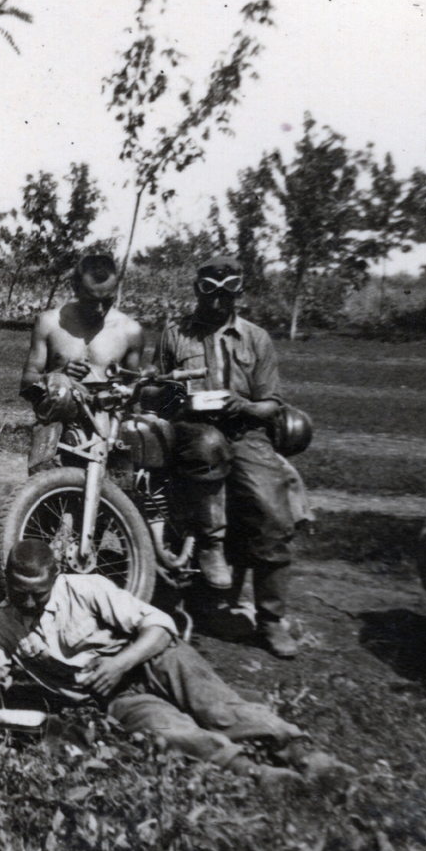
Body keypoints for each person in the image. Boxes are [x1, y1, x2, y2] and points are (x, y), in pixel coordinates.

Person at [0, 541, 355, 792]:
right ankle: (258, 774)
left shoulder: (86, 589)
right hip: (114, 696)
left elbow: (159, 625)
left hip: (153, 658)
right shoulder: (3, 623)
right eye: (19, 593)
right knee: (172, 733)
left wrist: (119, 663)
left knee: (218, 709)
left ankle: (302, 753)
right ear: (7, 583)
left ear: (55, 578)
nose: (28, 604)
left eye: (38, 595)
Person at [157, 256, 300, 657]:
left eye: (228, 291)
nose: (218, 301)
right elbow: (156, 393)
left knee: (273, 510)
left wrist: (241, 405)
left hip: (245, 432)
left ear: (239, 292)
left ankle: (271, 620)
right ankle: (208, 552)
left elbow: (270, 404)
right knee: (204, 450)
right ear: (196, 290)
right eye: (209, 291)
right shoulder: (175, 334)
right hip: (192, 432)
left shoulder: (256, 338)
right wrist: (175, 393)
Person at [21, 253, 144, 474]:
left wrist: (125, 390)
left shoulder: (130, 331)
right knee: (43, 485)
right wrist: (59, 376)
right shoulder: (49, 323)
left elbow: (136, 390)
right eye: (91, 300)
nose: (99, 309)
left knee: (123, 492)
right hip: (59, 423)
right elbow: (27, 384)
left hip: (109, 424)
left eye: (107, 301)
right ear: (75, 288)